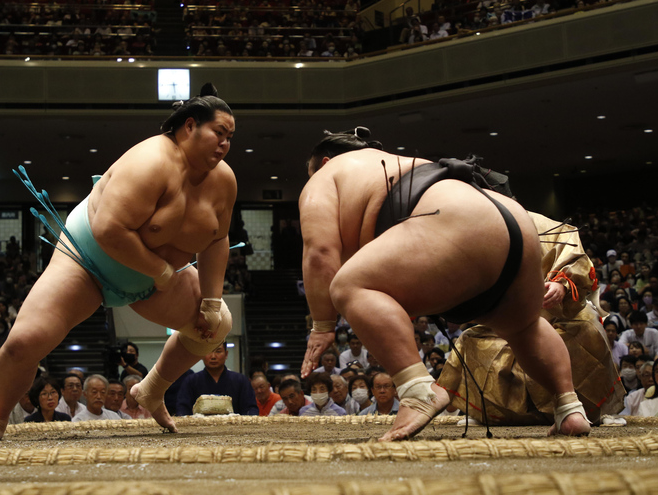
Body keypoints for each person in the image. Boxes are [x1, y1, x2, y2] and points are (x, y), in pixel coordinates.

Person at [0, 84, 237, 441]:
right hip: (87, 260)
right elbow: (110, 229)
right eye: (218, 133)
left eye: (230, 137)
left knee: (216, 324)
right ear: (190, 126)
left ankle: (152, 389)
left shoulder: (224, 182)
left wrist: (210, 300)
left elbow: (218, 240)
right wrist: (159, 271)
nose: (224, 144)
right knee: (26, 341)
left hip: (153, 282)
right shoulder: (150, 161)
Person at [299, 127, 591, 440]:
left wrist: (323, 325)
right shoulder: (391, 161)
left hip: (456, 219)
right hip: (514, 220)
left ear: (325, 162)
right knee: (524, 327)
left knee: (348, 286)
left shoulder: (325, 176)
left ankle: (418, 390)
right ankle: (569, 408)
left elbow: (320, 253)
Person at [440, 212, 624, 426]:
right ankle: (489, 413)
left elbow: (577, 260)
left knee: (589, 329)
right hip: (504, 320)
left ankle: (590, 411)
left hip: (560, 317)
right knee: (471, 339)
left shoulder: (550, 228)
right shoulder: (477, 231)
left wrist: (561, 284)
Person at [176, 343, 258, 416]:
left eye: (218, 351)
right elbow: (183, 410)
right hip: (200, 430)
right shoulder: (191, 381)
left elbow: (250, 409)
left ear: (226, 354)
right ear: (201, 355)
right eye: (208, 351)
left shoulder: (241, 380)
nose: (213, 356)